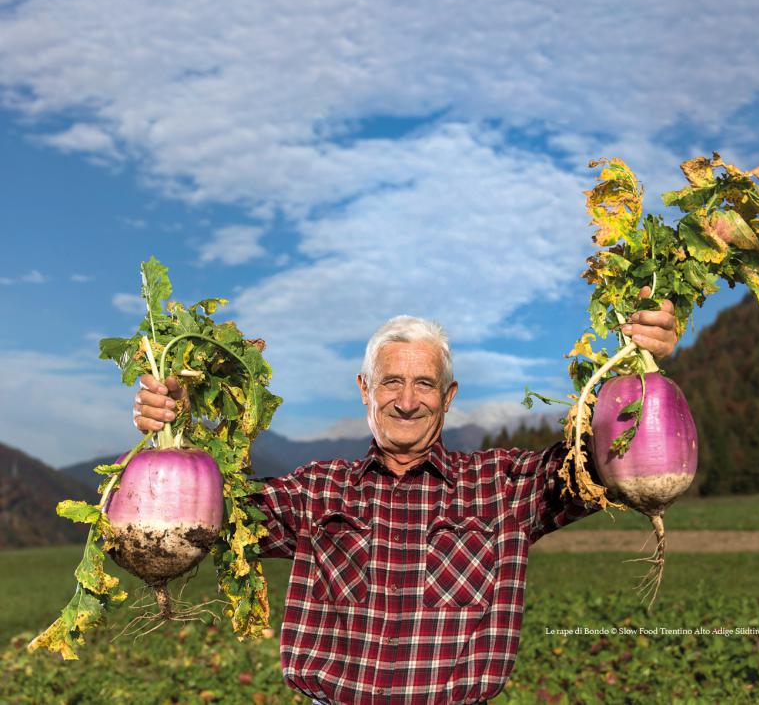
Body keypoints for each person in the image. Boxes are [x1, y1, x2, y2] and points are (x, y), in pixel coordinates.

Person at [134, 295, 677, 705]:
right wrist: (177, 422)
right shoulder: (315, 491)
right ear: (365, 390)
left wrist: (638, 365)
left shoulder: (503, 486)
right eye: (390, 382)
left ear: (449, 397)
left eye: (425, 384)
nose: (408, 401)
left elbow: (593, 467)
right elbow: (211, 510)